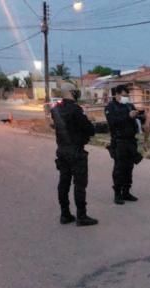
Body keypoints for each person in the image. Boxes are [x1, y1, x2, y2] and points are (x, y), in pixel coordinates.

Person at [51, 82, 98, 226]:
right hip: (76, 151)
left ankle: (65, 214)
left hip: (62, 150)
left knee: (64, 183)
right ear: (72, 92)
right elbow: (89, 130)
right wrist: (89, 119)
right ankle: (81, 216)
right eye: (76, 91)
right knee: (79, 184)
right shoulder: (76, 110)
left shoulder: (56, 110)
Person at [104, 84, 142, 205]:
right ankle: (117, 193)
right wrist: (127, 116)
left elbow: (137, 118)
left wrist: (140, 115)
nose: (126, 97)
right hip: (119, 141)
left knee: (129, 167)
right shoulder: (111, 107)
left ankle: (126, 191)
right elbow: (113, 122)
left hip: (131, 140)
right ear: (117, 95)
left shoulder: (129, 105)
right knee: (119, 168)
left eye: (127, 95)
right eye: (124, 95)